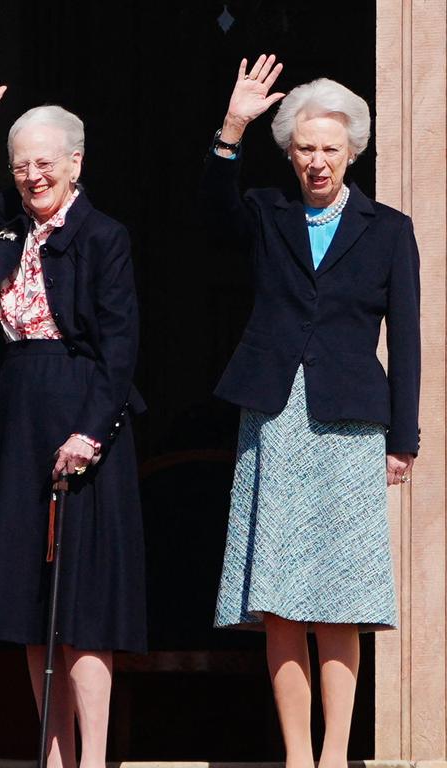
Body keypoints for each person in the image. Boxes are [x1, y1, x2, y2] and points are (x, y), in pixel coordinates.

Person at [0, 53, 147, 768]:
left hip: (84, 414)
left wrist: (90, 432)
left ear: (75, 164)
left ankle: (94, 756)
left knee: (84, 603)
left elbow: (120, 347)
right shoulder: (5, 227)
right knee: (27, 596)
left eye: (45, 164)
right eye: (20, 166)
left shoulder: (103, 236)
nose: (33, 176)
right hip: (17, 409)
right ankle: (52, 754)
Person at [207, 55, 421, 768]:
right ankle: (297, 755)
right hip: (273, 417)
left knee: (340, 594)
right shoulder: (267, 213)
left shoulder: (388, 229)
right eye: (305, 148)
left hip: (351, 421)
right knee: (279, 597)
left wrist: (405, 438)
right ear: (290, 154)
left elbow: (409, 339)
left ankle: (334, 755)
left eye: (331, 148)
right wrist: (233, 125)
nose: (318, 161)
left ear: (352, 151)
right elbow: (209, 211)